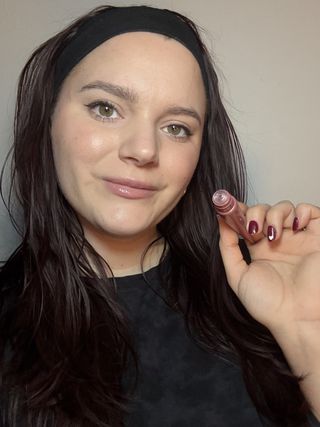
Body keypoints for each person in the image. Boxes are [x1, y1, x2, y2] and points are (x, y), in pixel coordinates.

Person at [0, 5, 319, 427]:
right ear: (49, 120)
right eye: (105, 108)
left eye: (176, 127)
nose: (145, 150)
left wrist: (303, 327)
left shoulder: (254, 290)